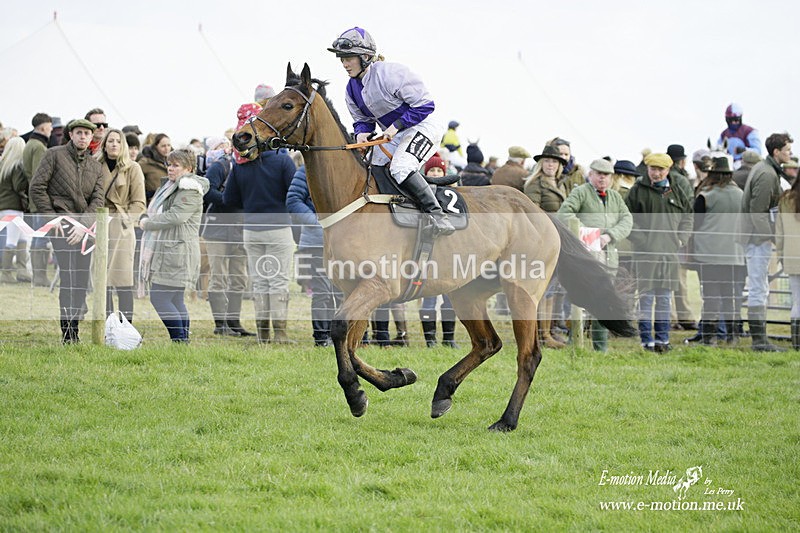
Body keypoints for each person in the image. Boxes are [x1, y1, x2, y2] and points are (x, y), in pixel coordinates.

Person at [327, 26, 454, 236]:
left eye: (348, 58)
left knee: (401, 168)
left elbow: (425, 105)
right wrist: (361, 132)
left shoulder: (391, 73)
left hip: (423, 126)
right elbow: (363, 120)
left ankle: (437, 214)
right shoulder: (351, 88)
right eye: (342, 58)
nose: (344, 64)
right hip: (397, 133)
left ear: (366, 56)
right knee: (371, 165)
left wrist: (395, 126)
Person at [224, 103, 296, 344]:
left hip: (251, 229)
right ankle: (281, 334)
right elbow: (292, 193)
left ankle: (263, 334)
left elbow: (229, 199)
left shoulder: (239, 164)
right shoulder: (282, 160)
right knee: (278, 281)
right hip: (278, 227)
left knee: (259, 281)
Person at [28, 119, 105, 343]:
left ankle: (76, 328)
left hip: (85, 229)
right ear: (71, 134)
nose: (83, 137)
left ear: (92, 138)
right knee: (69, 278)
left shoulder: (95, 166)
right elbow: (37, 187)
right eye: (79, 132)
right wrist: (53, 219)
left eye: (87, 134)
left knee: (81, 280)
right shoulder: (54, 155)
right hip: (61, 227)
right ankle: (68, 334)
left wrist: (84, 225)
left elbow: (97, 199)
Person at [558, 159, 632, 351]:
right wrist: (584, 233)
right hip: (585, 258)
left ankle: (601, 346)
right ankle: (574, 342)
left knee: (604, 299)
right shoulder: (580, 193)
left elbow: (627, 219)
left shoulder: (615, 197)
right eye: (598, 173)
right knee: (580, 302)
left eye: (606, 175)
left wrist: (610, 235)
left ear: (611, 177)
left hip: (609, 256)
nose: (602, 178)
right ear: (590, 174)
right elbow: (564, 213)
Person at [625, 152, 694, 353]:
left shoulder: (678, 188)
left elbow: (688, 216)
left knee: (664, 298)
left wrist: (682, 238)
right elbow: (627, 218)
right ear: (647, 168)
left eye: (660, 169)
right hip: (646, 254)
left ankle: (663, 340)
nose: (656, 173)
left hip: (670, 253)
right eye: (653, 169)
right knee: (646, 297)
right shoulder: (638, 189)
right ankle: (646, 340)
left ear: (668, 169)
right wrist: (643, 241)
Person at [138, 149, 209, 343]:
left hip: (177, 250)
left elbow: (177, 216)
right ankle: (182, 343)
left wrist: (148, 223)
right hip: (171, 248)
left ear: (189, 168)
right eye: (169, 164)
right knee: (175, 299)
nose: (170, 168)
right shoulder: (171, 186)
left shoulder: (189, 188)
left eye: (176, 165)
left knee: (160, 298)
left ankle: (179, 340)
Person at [738, 132, 793, 351]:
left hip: (756, 237)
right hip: (757, 238)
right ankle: (759, 341)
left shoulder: (765, 170)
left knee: (759, 287)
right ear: (776, 151)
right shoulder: (767, 173)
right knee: (759, 288)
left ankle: (759, 339)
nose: (790, 153)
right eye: (787, 149)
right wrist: (772, 238)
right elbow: (757, 212)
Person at [201, 135, 253, 337]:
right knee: (219, 276)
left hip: (240, 229)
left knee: (239, 277)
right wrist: (228, 200)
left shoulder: (248, 168)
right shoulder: (219, 166)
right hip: (217, 229)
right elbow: (207, 191)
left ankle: (234, 321)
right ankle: (220, 323)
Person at [286, 162, 342, 346]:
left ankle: (341, 336)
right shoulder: (306, 170)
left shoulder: (343, 168)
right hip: (316, 241)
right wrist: (319, 224)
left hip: (343, 242)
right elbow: (293, 200)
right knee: (323, 291)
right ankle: (321, 337)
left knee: (342, 291)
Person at [692, 156, 745, 345]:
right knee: (730, 297)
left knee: (711, 297)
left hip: (709, 254)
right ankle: (732, 337)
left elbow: (695, 224)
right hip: (735, 254)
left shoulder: (706, 195)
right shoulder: (741, 194)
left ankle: (709, 338)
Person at [96, 128, 146, 323]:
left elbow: (139, 202)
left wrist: (126, 221)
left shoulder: (132, 168)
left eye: (118, 141)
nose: (114, 144)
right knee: (102, 280)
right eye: (110, 141)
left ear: (123, 145)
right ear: (104, 144)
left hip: (122, 228)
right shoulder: (95, 166)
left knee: (123, 279)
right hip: (99, 224)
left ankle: (126, 327)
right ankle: (107, 324)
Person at [524, 144, 569, 348]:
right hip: (543, 240)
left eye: (555, 161)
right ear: (542, 164)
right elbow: (532, 213)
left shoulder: (562, 184)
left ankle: (549, 330)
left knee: (554, 289)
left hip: (559, 240)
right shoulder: (535, 184)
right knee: (544, 290)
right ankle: (542, 334)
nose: (551, 164)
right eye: (548, 161)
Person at [417, 154, 458, 348]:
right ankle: (430, 340)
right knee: (429, 297)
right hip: (427, 251)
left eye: (438, 171)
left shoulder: (452, 197)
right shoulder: (419, 194)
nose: (435, 174)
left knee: (450, 298)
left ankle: (449, 338)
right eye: (431, 170)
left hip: (448, 254)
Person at [666, 143, 699, 331]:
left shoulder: (665, 178)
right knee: (679, 278)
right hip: (677, 235)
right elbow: (689, 208)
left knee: (666, 279)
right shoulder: (681, 181)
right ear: (682, 161)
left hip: (665, 234)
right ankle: (684, 316)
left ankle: (670, 317)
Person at [22, 112, 54, 287]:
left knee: (37, 237)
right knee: (41, 237)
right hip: (39, 200)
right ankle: (40, 276)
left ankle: (38, 275)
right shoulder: (39, 147)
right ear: (43, 127)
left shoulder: (30, 144)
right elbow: (39, 176)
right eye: (49, 127)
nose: (50, 131)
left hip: (33, 199)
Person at [0, 137, 31, 284]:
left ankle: (21, 271)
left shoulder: (3, 165)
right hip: (14, 207)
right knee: (12, 240)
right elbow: (19, 186)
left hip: (4, 207)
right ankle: (7, 273)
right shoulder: (17, 166)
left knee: (22, 238)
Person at [776, 173, 800, 349]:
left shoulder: (785, 199)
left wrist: (780, 255)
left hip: (792, 255)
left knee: (797, 302)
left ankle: (797, 343)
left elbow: (780, 232)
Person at [139, 134, 172, 202]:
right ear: (156, 146)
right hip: (152, 203)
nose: (166, 148)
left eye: (168, 145)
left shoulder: (174, 162)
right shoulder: (146, 162)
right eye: (163, 146)